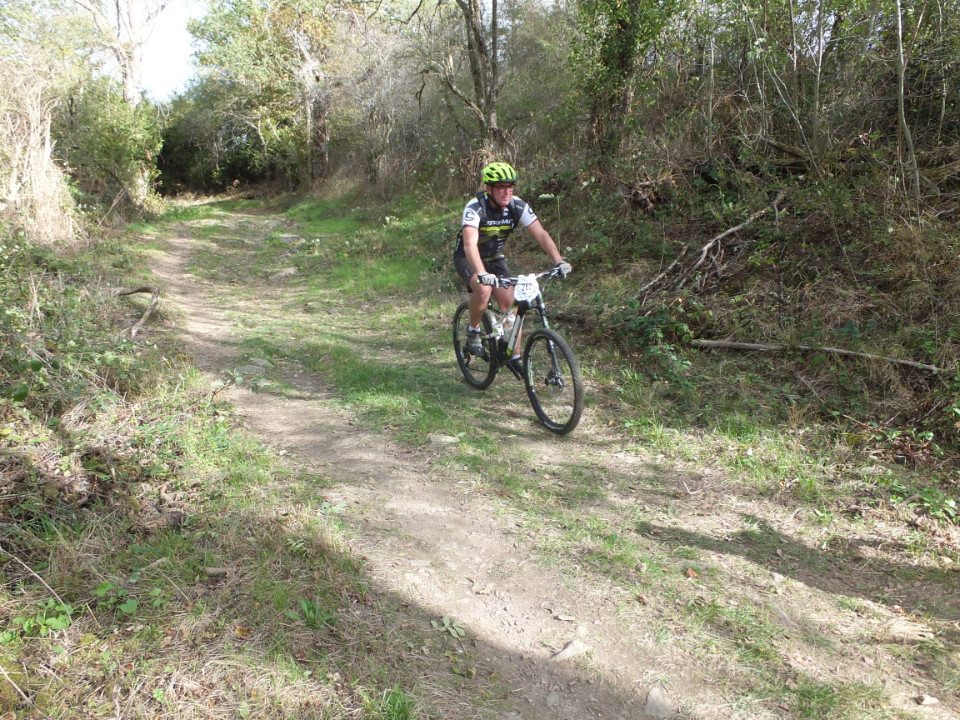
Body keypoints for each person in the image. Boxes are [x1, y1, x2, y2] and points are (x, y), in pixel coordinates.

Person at [454, 161, 572, 377]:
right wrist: (482, 273)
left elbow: (541, 234)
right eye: (501, 187)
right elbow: (470, 245)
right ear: (489, 189)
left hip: (494, 258)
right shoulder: (475, 207)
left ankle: (515, 356)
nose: (507, 191)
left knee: (511, 304)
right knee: (484, 290)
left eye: (510, 186)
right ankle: (473, 331)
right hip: (468, 257)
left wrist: (558, 260)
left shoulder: (517, 206)